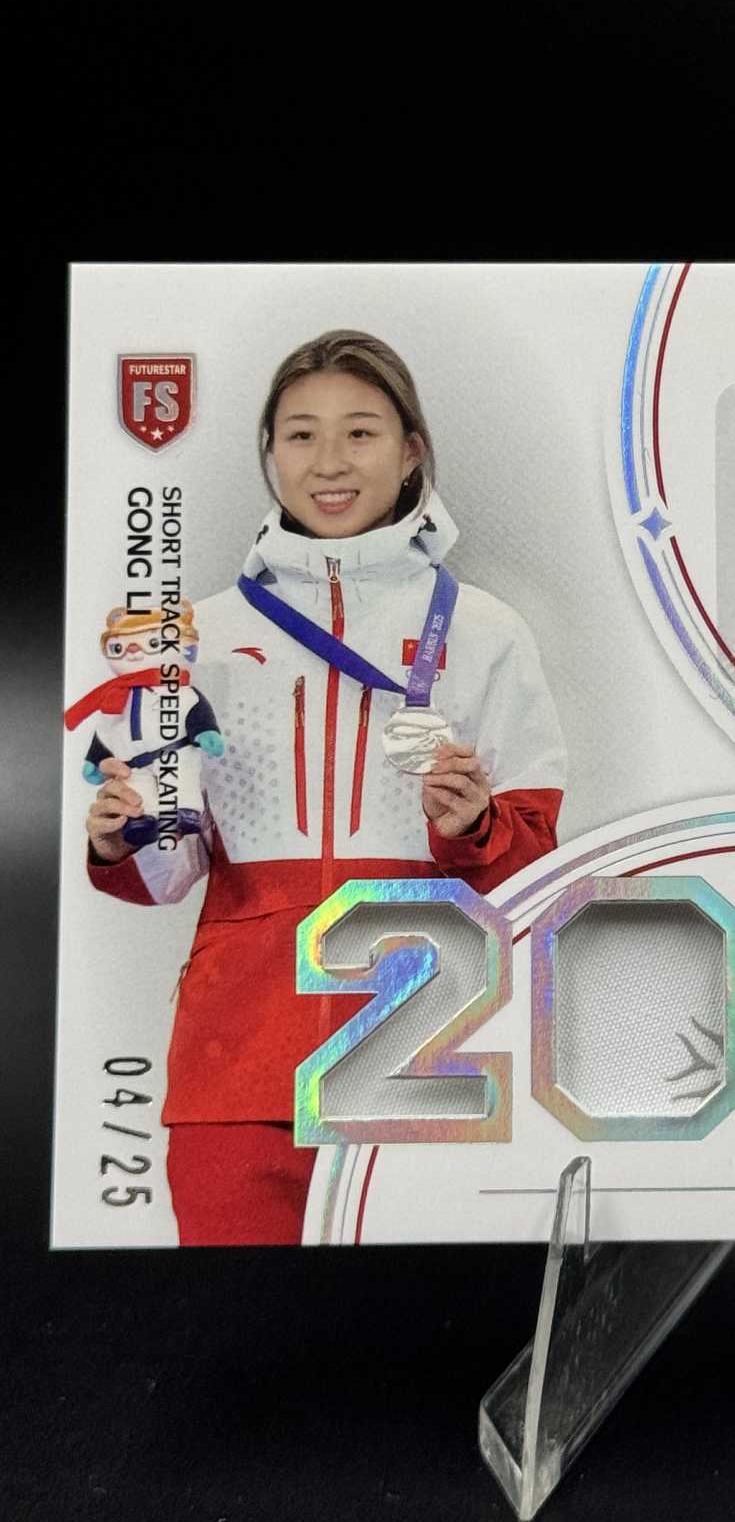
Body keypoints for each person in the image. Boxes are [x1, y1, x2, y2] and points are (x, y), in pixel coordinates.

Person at [81, 330, 567, 1245]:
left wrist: (474, 828)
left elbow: (538, 859)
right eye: (301, 435)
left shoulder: (487, 631)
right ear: (270, 453)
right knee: (243, 1317)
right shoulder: (199, 637)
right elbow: (168, 868)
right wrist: (120, 837)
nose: (329, 462)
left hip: (427, 1051)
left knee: (418, 1320)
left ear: (411, 451)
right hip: (238, 1066)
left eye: (361, 432)